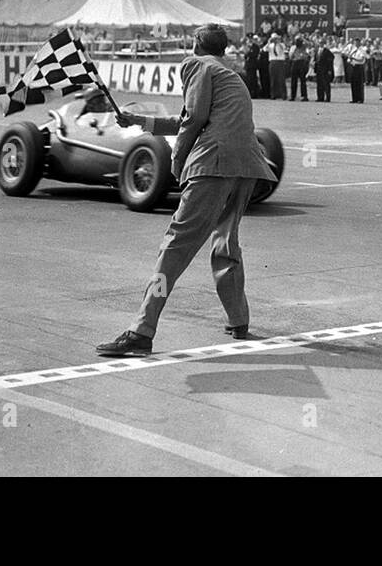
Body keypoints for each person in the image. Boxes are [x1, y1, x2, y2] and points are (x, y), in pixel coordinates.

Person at [96, 24, 278, 357]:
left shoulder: (196, 64)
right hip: (246, 167)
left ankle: (142, 330)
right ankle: (239, 319)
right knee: (225, 240)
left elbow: (193, 118)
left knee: (175, 247)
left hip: (213, 164)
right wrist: (140, 121)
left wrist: (178, 163)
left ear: (195, 45)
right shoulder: (229, 73)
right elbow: (195, 117)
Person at [343, 38, 367, 103]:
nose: (356, 44)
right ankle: (354, 98)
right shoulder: (353, 50)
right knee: (353, 84)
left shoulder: (362, 50)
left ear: (359, 43)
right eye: (355, 43)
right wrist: (349, 60)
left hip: (359, 67)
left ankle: (360, 99)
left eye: (357, 42)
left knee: (359, 84)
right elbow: (349, 58)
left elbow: (362, 60)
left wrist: (353, 58)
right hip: (353, 67)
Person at [288, 36, 310, 101]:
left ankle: (304, 96)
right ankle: (293, 96)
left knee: (303, 81)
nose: (298, 42)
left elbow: (309, 44)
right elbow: (290, 56)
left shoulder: (304, 46)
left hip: (302, 62)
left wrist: (303, 38)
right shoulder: (293, 47)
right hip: (295, 62)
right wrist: (293, 52)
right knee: (293, 80)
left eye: (299, 41)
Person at [266, 32, 287, 100]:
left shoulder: (281, 44)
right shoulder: (270, 45)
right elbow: (265, 49)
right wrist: (269, 41)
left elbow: (283, 48)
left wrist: (278, 42)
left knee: (281, 79)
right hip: (273, 61)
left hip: (280, 62)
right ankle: (273, 95)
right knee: (273, 79)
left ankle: (283, 95)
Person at [313, 36, 335, 102]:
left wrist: (329, 68)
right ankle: (320, 97)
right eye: (320, 43)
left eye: (322, 43)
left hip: (325, 69)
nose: (321, 44)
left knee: (326, 84)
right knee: (319, 84)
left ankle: (327, 98)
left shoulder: (327, 51)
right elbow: (315, 59)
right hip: (318, 70)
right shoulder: (317, 50)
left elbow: (332, 58)